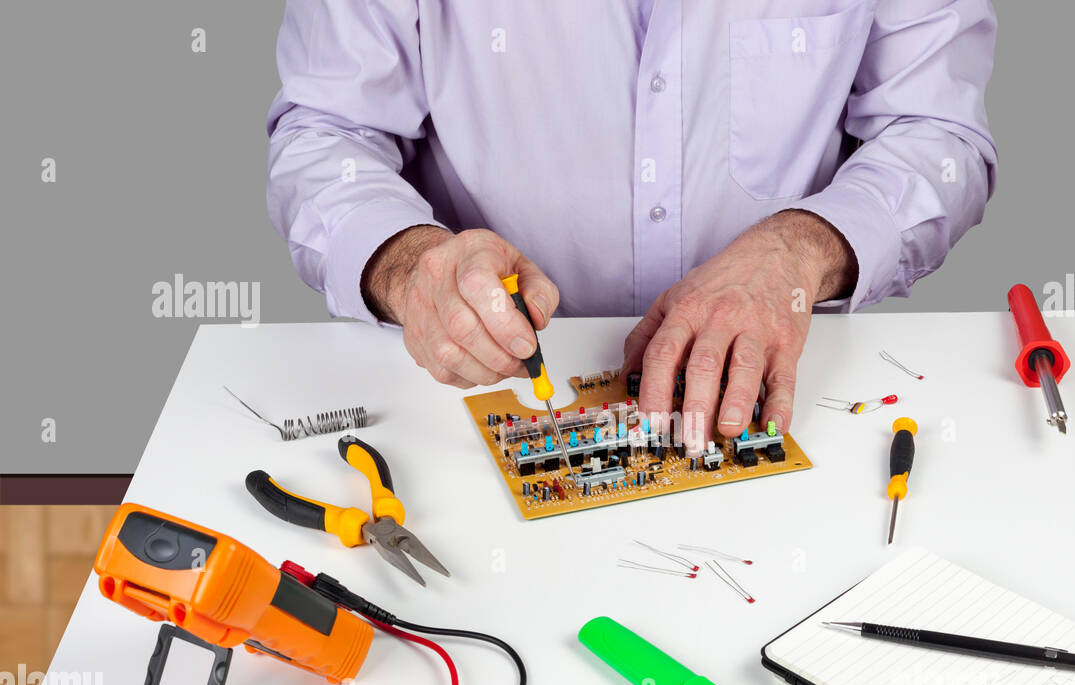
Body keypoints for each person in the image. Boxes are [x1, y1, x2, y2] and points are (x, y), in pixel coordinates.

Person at [267, 1, 996, 451]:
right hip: (474, 406)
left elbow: (936, 133)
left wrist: (800, 252)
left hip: (795, 394)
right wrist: (407, 264)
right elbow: (327, 131)